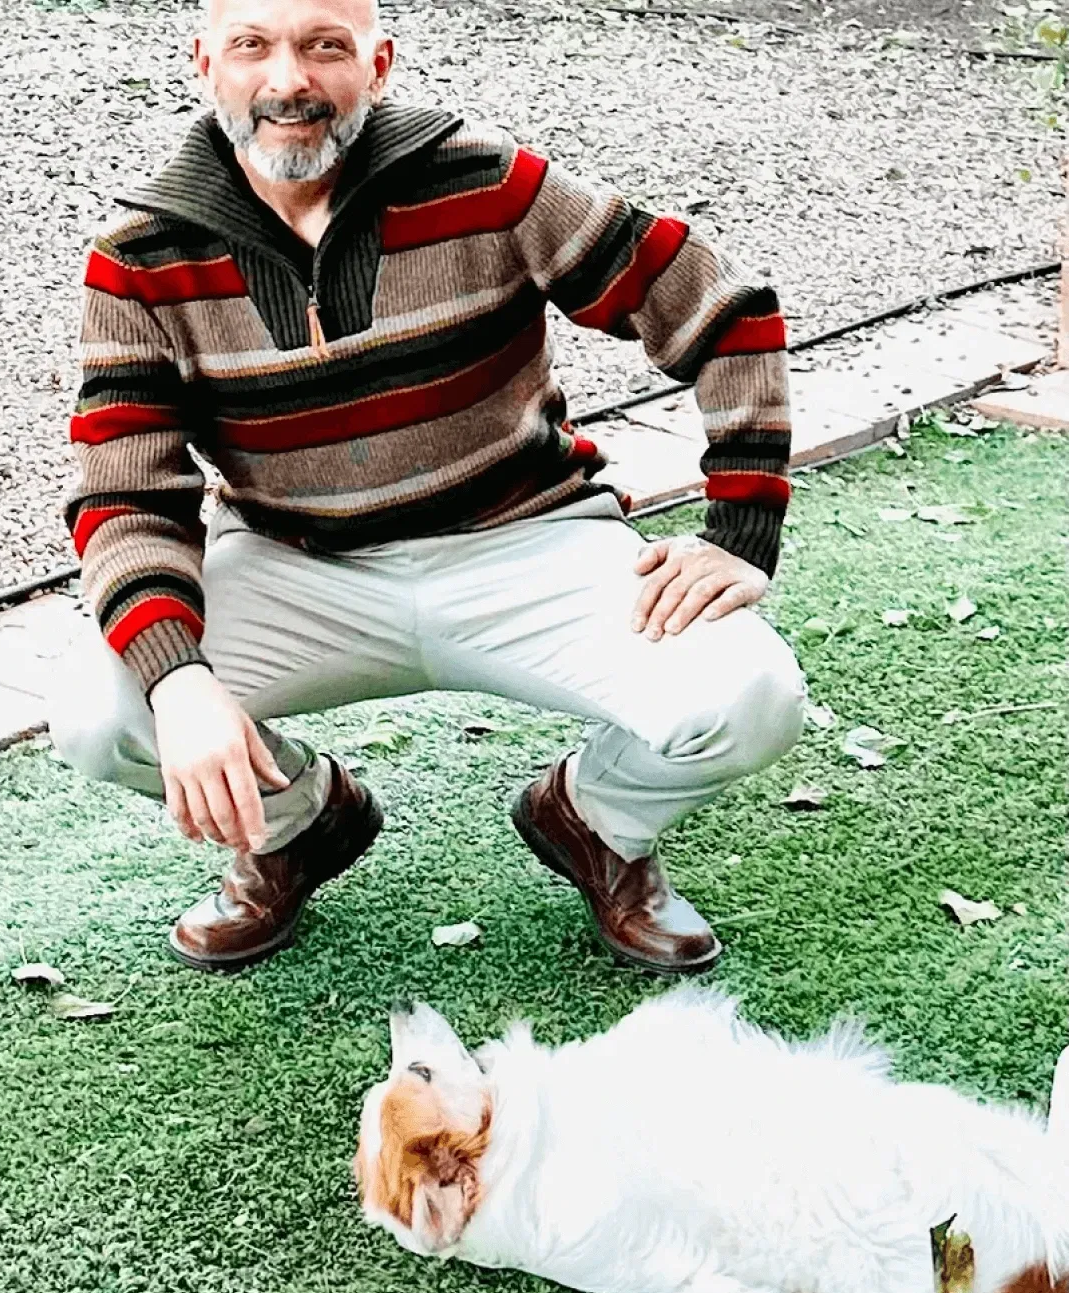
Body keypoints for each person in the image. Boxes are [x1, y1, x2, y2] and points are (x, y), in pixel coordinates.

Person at [47, 0, 806, 978]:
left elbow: (713, 300)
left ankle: (596, 820)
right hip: (295, 566)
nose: (290, 81)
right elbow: (124, 492)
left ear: (379, 60)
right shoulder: (141, 255)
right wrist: (181, 680)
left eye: (326, 45)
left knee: (750, 694)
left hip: (525, 544)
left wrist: (739, 528)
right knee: (102, 711)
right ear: (206, 63)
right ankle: (298, 826)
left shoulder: (488, 180)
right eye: (254, 46)